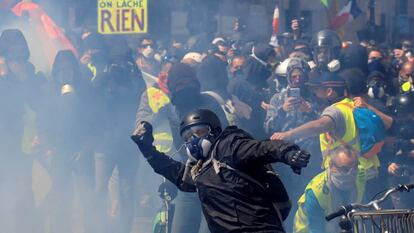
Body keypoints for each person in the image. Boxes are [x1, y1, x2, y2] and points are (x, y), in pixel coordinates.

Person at [132, 108, 311, 233]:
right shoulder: (200, 169)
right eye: (187, 137)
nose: (193, 139)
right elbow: (179, 176)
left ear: (214, 131)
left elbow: (263, 148)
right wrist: (147, 149)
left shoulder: (230, 146)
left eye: (199, 132)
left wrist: (289, 154)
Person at [271, 72, 378, 173]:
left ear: (329, 92)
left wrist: (288, 134)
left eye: (317, 90)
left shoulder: (335, 110)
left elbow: (320, 125)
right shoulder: (351, 105)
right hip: (363, 167)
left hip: (348, 172)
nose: (314, 93)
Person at [294, 145, 366, 233]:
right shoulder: (316, 191)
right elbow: (316, 228)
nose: (351, 173)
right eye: (344, 169)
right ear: (331, 166)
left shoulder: (361, 175)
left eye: (354, 167)